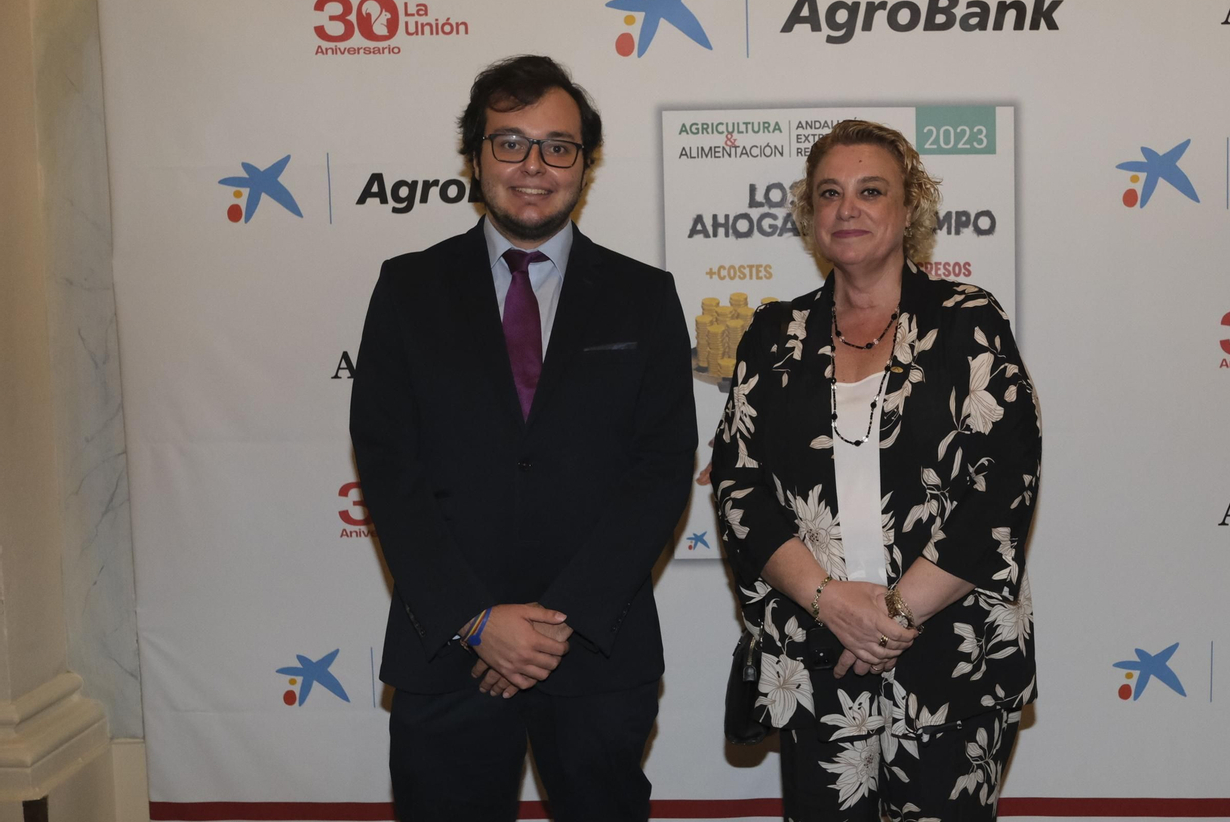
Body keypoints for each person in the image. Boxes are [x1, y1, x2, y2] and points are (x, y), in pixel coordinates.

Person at [350, 54, 696, 821]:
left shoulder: (644, 297)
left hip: (597, 656)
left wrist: (552, 623)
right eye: (510, 143)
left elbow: (663, 466)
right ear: (475, 158)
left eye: (558, 146)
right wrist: (477, 621)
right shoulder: (407, 290)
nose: (534, 165)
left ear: (585, 162)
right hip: (447, 656)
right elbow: (387, 466)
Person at [711, 120, 1041, 819]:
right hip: (819, 649)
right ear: (809, 212)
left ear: (909, 208)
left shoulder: (967, 322)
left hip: (949, 655)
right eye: (828, 192)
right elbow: (739, 486)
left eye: (870, 190)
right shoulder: (774, 336)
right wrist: (833, 604)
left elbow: (1002, 484)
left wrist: (890, 614)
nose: (847, 208)